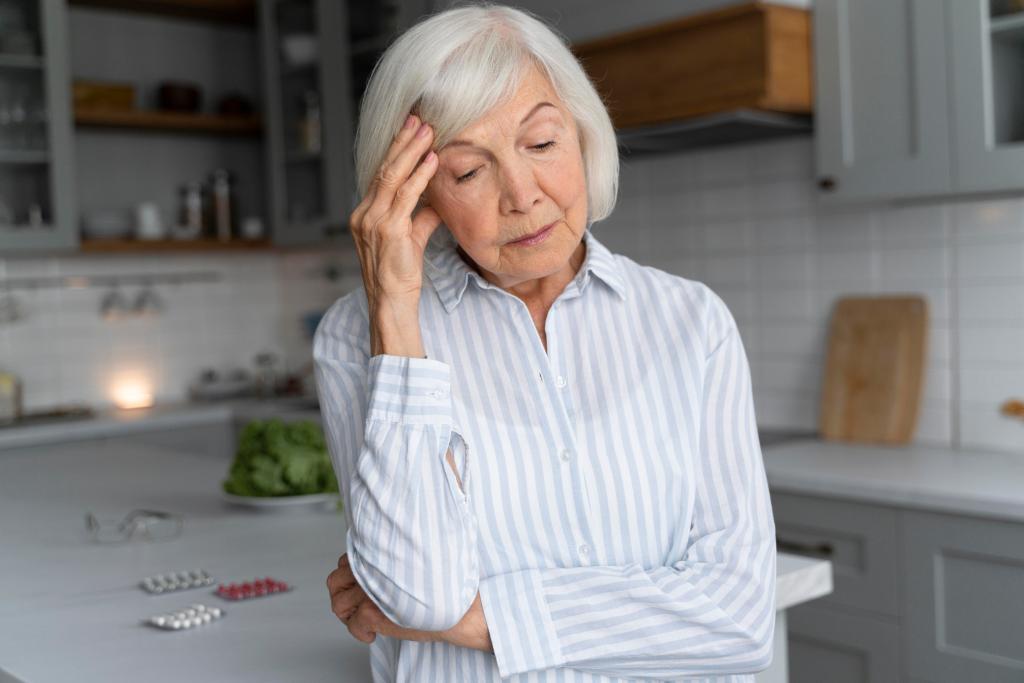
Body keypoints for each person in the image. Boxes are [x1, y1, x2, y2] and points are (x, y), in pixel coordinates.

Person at [315, 3, 777, 681]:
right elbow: (417, 594)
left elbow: (738, 617)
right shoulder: (358, 335)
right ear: (414, 193)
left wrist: (479, 620)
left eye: (541, 144)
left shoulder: (691, 322)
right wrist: (395, 315)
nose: (523, 195)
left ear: (584, 138)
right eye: (470, 171)